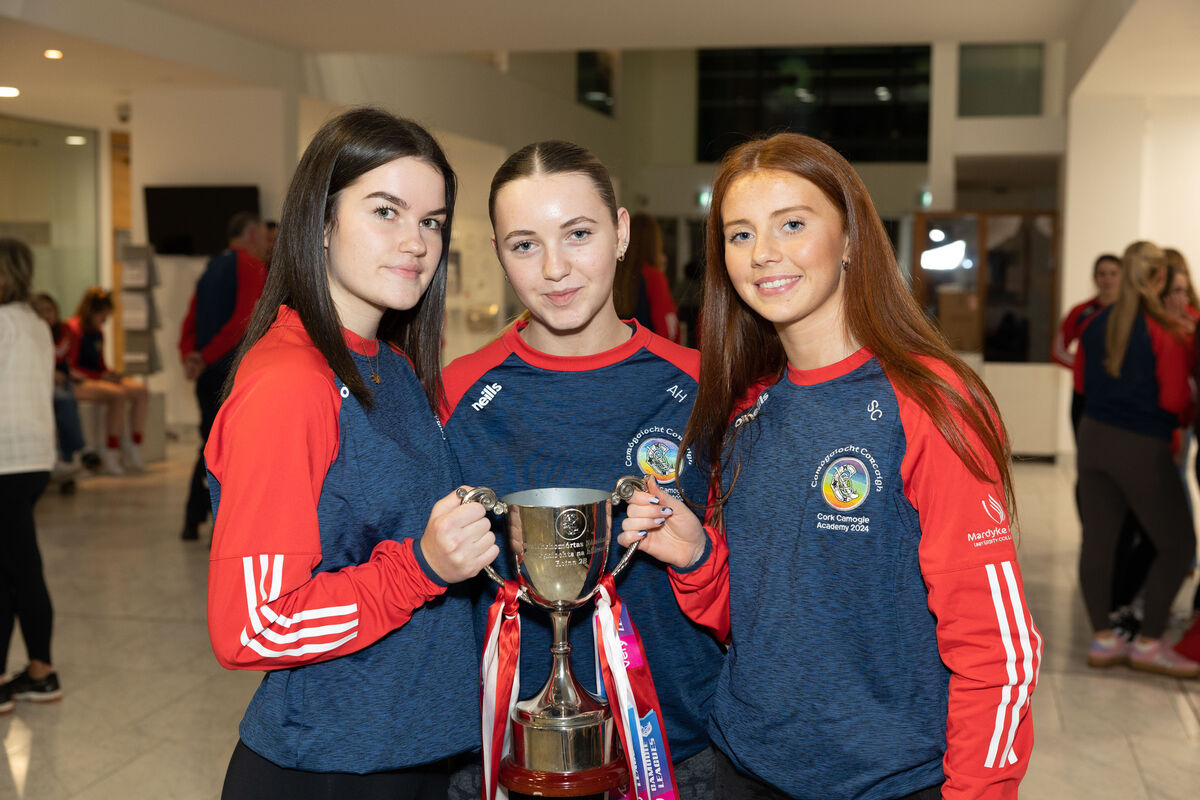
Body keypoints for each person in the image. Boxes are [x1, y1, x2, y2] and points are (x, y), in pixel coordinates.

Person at [617, 133, 1041, 799]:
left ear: (849, 239)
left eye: (792, 224)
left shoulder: (929, 401)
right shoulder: (747, 408)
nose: (763, 255)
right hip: (744, 767)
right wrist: (698, 559)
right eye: (740, 234)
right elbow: (763, 620)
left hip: (891, 781)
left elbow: (996, 646)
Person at [205, 107, 497, 798]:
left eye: (431, 221)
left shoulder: (391, 366)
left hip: (417, 753)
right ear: (323, 221)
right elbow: (251, 626)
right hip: (330, 768)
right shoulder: (289, 383)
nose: (416, 242)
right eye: (386, 211)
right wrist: (421, 566)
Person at [441, 141, 722, 798]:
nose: (555, 268)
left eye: (578, 234)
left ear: (621, 232)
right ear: (498, 255)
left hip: (678, 753)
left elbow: (747, 581)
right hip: (506, 756)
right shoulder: (459, 393)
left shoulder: (701, 386)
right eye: (524, 244)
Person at [1075, 240, 1199, 678]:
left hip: (1093, 439)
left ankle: (1104, 639)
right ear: (1160, 278)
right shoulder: (1165, 331)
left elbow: (1082, 384)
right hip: (1141, 446)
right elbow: (1176, 399)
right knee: (1180, 544)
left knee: (1098, 542)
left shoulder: (1093, 324)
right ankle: (1148, 642)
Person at [177, 211, 268, 540]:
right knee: (227, 451)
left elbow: (190, 319)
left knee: (208, 445)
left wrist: (190, 355)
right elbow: (245, 321)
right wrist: (206, 357)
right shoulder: (249, 266)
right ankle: (221, 524)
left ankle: (192, 519)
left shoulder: (210, 267)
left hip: (207, 374)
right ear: (249, 233)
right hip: (230, 373)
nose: (264, 240)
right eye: (260, 233)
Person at [0, 239, 63, 710]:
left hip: (5, 460)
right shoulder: (36, 323)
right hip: (34, 458)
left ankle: (42, 670)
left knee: (21, 569)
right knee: (12, 568)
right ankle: (16, 673)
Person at [64, 287, 149, 475]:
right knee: (118, 395)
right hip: (79, 382)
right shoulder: (73, 329)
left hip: (95, 377)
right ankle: (110, 448)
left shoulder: (98, 332)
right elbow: (73, 367)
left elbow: (100, 364)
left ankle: (134, 444)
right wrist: (101, 376)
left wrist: (110, 374)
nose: (105, 320)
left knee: (140, 391)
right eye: (103, 315)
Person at [1052, 253, 1121, 436]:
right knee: (1086, 455)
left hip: (1120, 396)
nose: (1108, 279)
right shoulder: (1080, 312)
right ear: (1095, 278)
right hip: (1085, 395)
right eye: (1102, 273)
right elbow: (1058, 352)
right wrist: (1085, 366)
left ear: (1122, 277)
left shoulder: (1131, 315)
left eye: (1113, 273)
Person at [32, 292, 88, 492]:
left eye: (50, 310)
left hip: (60, 383)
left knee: (65, 401)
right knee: (62, 401)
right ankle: (79, 450)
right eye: (42, 311)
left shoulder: (64, 332)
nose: (47, 315)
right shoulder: (29, 332)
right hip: (37, 386)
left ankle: (68, 458)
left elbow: (67, 362)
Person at [613, 211, 682, 343]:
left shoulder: (614, 274)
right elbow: (669, 332)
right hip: (648, 357)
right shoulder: (653, 277)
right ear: (654, 242)